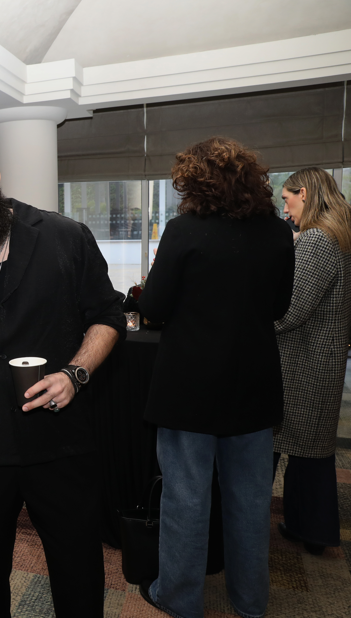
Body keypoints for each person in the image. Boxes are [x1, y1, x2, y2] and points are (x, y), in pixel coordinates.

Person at [0, 125, 123, 617]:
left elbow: (108, 316)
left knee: (78, 576)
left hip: (60, 441)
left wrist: (75, 373)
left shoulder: (63, 237)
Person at [137, 137, 295, 618]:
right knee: (250, 502)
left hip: (190, 389)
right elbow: (279, 308)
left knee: (186, 499)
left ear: (196, 182)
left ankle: (180, 599)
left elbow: (154, 307)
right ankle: (251, 602)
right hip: (253, 387)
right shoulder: (278, 233)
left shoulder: (184, 231)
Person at [273, 167, 351, 556]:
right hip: (322, 357)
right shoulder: (338, 235)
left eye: (287, 200)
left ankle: (312, 531)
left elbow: (289, 311)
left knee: (300, 451)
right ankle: (310, 529)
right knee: (311, 453)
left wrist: (249, 322)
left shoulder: (318, 239)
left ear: (304, 193)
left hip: (306, 362)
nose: (286, 210)